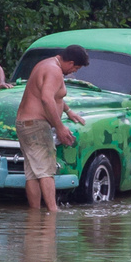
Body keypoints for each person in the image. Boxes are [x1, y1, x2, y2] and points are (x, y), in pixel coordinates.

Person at [16, 45, 89, 212]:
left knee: (33, 172)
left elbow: (54, 97)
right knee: (46, 171)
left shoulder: (46, 64)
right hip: (36, 125)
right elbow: (47, 99)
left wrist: (68, 111)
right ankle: (52, 212)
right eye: (75, 68)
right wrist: (60, 127)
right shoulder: (54, 71)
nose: (73, 72)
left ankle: (35, 216)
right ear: (70, 63)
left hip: (25, 124)